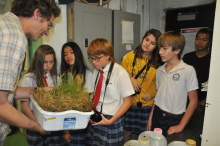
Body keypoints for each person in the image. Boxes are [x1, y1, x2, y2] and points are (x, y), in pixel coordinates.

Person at [0, 0, 61, 144]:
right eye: (49, 25)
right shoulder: (14, 35)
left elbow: (7, 92)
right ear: (37, 14)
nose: (47, 32)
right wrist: (37, 126)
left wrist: (40, 90)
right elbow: (1, 105)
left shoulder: (4, 24)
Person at [147, 31, 198, 136]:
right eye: (160, 48)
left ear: (177, 50)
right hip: (157, 114)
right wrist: (151, 118)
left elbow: (193, 102)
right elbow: (157, 96)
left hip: (174, 119)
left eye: (165, 49)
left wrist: (181, 125)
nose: (160, 52)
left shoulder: (187, 70)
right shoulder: (160, 70)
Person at [86, 38, 134, 146]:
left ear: (108, 55)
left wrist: (111, 121)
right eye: (91, 58)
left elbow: (128, 102)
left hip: (112, 119)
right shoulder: (96, 71)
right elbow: (94, 95)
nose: (94, 62)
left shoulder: (120, 73)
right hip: (96, 116)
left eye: (97, 58)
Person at [121, 29, 162, 143]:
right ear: (143, 39)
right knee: (126, 131)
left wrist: (152, 93)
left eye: (152, 43)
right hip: (129, 101)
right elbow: (120, 74)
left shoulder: (158, 61)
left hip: (147, 104)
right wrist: (130, 79)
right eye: (147, 39)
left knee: (146, 133)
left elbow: (158, 81)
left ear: (156, 46)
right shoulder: (129, 56)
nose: (147, 44)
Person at [19, 45, 64, 146]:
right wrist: (37, 125)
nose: (48, 65)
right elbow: (24, 107)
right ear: (38, 61)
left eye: (51, 62)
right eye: (45, 62)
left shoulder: (56, 78)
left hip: (53, 121)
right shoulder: (28, 79)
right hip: (34, 120)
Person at [60, 42, 93, 145]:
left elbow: (85, 103)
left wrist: (77, 87)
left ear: (77, 53)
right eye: (65, 54)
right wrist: (65, 130)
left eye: (71, 52)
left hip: (81, 121)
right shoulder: (63, 76)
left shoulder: (87, 74)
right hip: (65, 120)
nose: (68, 56)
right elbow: (61, 104)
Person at [182, 28, 212, 106]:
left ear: (210, 43)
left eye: (204, 40)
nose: (200, 42)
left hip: (204, 101)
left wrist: (206, 99)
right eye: (198, 39)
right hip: (186, 99)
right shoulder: (187, 57)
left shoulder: (213, 59)